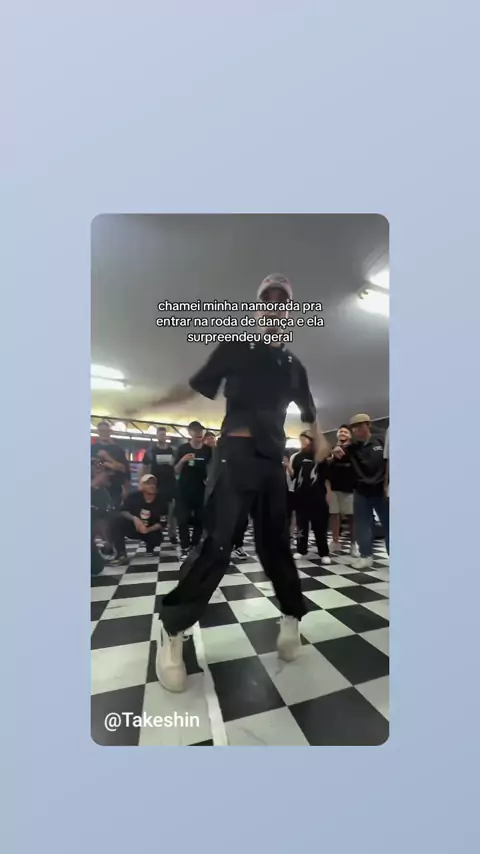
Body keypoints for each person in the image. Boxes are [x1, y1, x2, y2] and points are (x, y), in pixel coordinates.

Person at [132, 273, 330, 692]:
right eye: (267, 300)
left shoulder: (294, 367)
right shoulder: (235, 348)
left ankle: (291, 617)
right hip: (235, 457)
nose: (274, 306)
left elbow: (310, 412)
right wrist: (156, 402)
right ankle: (172, 630)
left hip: (272, 463)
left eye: (282, 301)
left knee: (276, 545)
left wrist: (321, 438)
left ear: (290, 311)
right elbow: (196, 385)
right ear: (257, 309)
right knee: (217, 543)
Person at [332, 413, 389, 569]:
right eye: (354, 428)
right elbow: (336, 455)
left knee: (389, 524)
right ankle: (365, 556)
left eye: (359, 426)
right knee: (362, 524)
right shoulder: (353, 447)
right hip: (361, 491)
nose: (356, 430)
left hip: (381, 489)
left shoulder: (381, 440)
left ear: (368, 425)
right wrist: (335, 450)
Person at [291, 430, 332, 564]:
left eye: (305, 439)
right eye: (301, 440)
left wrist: (328, 494)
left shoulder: (320, 456)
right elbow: (294, 476)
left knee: (320, 526)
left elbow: (326, 477)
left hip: (318, 496)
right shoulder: (297, 457)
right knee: (301, 525)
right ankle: (301, 550)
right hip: (301, 496)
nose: (303, 442)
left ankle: (323, 552)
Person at [174, 421, 212, 560]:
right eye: (195, 431)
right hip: (184, 490)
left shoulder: (207, 450)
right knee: (182, 519)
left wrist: (210, 480)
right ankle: (184, 546)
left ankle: (195, 545)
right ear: (189, 433)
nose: (198, 433)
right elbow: (175, 470)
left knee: (200, 519)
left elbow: (212, 468)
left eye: (200, 431)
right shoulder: (182, 448)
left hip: (200, 490)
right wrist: (182, 460)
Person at [109, 474, 165, 565]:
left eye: (153, 483)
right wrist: (135, 519)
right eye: (148, 483)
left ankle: (150, 547)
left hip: (151, 529)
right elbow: (123, 510)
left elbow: (162, 522)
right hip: (134, 527)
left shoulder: (161, 499)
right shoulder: (134, 496)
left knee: (157, 538)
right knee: (116, 521)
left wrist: (147, 529)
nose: (151, 485)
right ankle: (121, 553)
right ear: (142, 485)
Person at [142, 426, 177, 544]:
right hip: (155, 485)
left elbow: (177, 467)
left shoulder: (173, 451)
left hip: (170, 485)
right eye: (160, 434)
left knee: (171, 512)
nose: (162, 436)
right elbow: (144, 467)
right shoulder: (151, 452)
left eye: (164, 434)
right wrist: (143, 482)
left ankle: (172, 534)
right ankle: (154, 533)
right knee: (155, 510)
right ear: (156, 436)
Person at [327, 425, 358, 556]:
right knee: (334, 515)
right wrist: (332, 456)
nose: (343, 433)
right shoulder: (331, 449)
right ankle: (335, 542)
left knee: (352, 516)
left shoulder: (354, 449)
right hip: (334, 488)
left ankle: (354, 544)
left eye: (345, 432)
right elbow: (325, 468)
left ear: (350, 435)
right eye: (341, 432)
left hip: (349, 488)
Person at [91, 420, 131, 509]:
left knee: (113, 513)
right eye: (101, 431)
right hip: (95, 489)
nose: (104, 433)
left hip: (114, 489)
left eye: (106, 431)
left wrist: (107, 457)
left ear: (110, 432)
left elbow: (125, 469)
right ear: (97, 432)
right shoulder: (92, 449)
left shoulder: (118, 450)